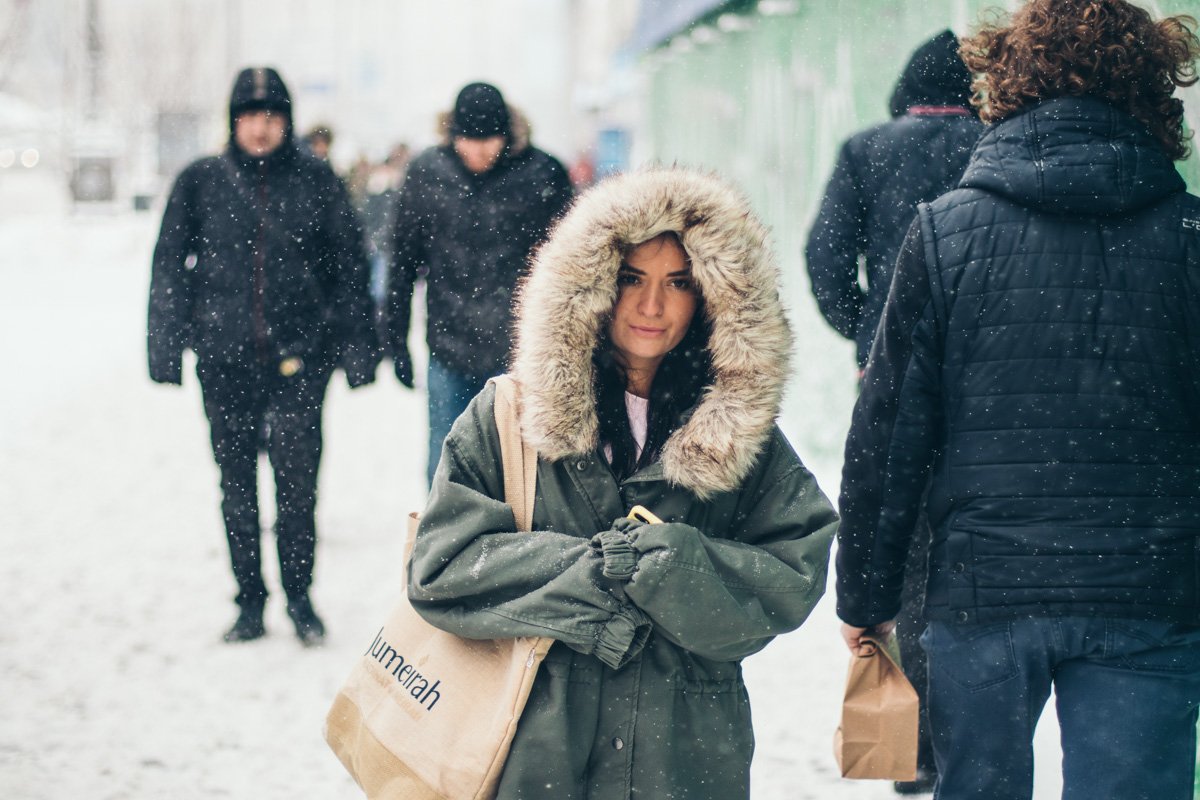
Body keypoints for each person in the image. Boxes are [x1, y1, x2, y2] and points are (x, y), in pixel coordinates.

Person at [834, 3, 1200, 798]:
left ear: (1007, 83)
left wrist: (866, 592)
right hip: (1148, 594)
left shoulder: (945, 234)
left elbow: (889, 436)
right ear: (1152, 91)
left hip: (983, 595)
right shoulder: (1190, 237)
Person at [406, 167, 838, 798]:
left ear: (714, 295)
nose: (652, 306)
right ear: (592, 282)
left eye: (678, 283)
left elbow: (794, 572)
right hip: (539, 755)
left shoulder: (743, 434)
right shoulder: (511, 417)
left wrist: (678, 566)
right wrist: (587, 574)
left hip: (683, 758)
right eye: (633, 277)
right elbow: (441, 568)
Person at [805, 29, 983, 795]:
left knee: (901, 544)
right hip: (980, 380)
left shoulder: (866, 150)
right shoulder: (995, 144)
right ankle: (972, 727)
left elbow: (824, 258)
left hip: (893, 379)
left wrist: (868, 332)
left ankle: (914, 749)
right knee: (968, 547)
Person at [147, 67, 380, 646]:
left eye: (271, 116)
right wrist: (165, 346)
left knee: (298, 487)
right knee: (236, 486)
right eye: (249, 116)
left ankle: (300, 598)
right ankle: (249, 601)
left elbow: (350, 268)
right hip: (224, 362)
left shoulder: (317, 181)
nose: (260, 127)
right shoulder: (202, 181)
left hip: (300, 362)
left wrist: (358, 347)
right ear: (233, 121)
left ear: (287, 121)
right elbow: (169, 265)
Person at [385, 82, 573, 486]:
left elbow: (569, 267)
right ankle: (447, 528)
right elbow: (403, 261)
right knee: (447, 462)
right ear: (453, 135)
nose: (478, 151)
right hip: (449, 348)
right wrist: (395, 340)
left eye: (488, 140)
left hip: (521, 353)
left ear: (506, 135)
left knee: (520, 469)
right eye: (469, 140)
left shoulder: (542, 174)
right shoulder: (428, 174)